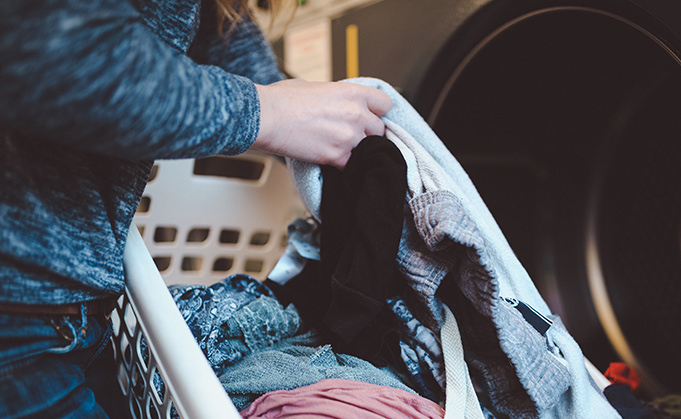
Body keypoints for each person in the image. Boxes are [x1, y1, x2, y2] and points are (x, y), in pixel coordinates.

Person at [0, 0, 391, 417]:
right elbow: (56, 50)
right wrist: (269, 111)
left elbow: (228, 47)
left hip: (72, 317)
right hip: (20, 314)